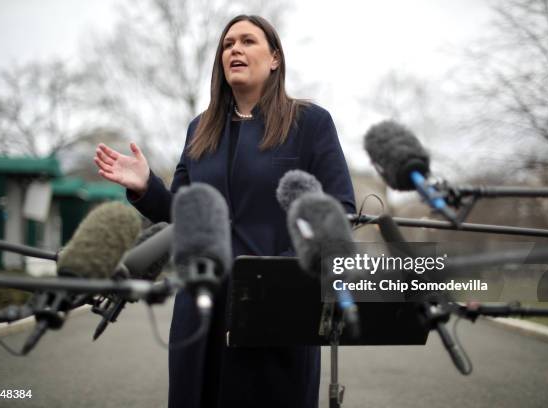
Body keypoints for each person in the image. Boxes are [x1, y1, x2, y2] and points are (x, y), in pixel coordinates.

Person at [94, 14, 355, 408]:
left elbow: (340, 209)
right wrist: (147, 186)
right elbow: (183, 215)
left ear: (275, 59)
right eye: (228, 44)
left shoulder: (309, 123)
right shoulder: (200, 129)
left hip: (276, 307)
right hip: (201, 313)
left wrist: (279, 276)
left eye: (248, 41)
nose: (234, 49)